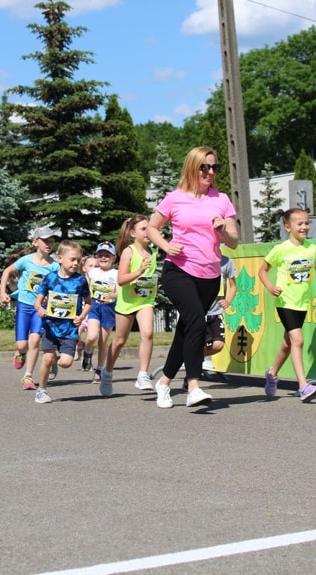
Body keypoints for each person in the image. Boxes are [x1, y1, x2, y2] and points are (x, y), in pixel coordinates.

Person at [146, 146, 239, 409]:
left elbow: (233, 242)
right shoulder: (174, 198)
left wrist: (223, 229)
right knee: (197, 322)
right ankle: (194, 386)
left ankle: (164, 382)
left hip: (210, 276)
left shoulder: (221, 200)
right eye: (205, 167)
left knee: (185, 330)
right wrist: (166, 247)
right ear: (192, 167)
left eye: (214, 167)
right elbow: (152, 228)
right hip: (179, 271)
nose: (210, 172)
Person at [258, 208, 316, 402]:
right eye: (299, 224)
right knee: (298, 339)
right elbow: (262, 271)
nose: (304, 227)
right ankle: (303, 385)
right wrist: (270, 287)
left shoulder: (312, 249)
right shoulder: (281, 249)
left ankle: (272, 373)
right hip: (285, 301)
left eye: (306, 223)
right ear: (287, 227)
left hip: (302, 303)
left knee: (287, 343)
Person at [101, 215, 159, 397]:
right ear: (133, 233)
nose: (148, 232)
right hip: (126, 302)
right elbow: (121, 279)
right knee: (119, 341)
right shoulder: (128, 251)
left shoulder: (153, 252)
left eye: (149, 228)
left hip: (145, 300)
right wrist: (140, 270)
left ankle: (143, 374)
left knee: (148, 333)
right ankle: (107, 373)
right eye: (144, 229)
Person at [32, 240, 93, 404]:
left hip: (69, 329)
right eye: (72, 259)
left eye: (78, 260)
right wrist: (40, 309)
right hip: (50, 327)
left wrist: (82, 317)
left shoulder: (80, 280)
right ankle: (42, 390)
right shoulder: (50, 278)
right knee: (46, 358)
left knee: (66, 362)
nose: (76, 263)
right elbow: (37, 301)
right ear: (60, 258)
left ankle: (55, 363)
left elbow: (88, 302)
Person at [0, 226, 59, 390]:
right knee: (21, 345)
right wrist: (2, 292)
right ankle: (20, 353)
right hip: (24, 305)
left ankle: (28, 377)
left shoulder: (54, 266)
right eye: (45, 240)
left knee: (34, 340)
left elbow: (59, 285)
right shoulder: (26, 261)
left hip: (41, 308)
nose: (49, 243)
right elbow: (6, 272)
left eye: (51, 241)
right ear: (35, 242)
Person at [186, 252, 238, 389]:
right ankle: (191, 373)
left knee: (218, 345)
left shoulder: (226, 261)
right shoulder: (197, 258)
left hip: (216, 312)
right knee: (198, 344)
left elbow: (233, 286)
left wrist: (228, 301)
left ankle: (191, 358)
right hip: (200, 312)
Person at [81, 242, 118, 383]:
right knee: (91, 337)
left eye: (107, 255)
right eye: (100, 255)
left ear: (113, 258)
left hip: (109, 309)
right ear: (96, 257)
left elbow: (119, 293)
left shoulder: (116, 274)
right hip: (95, 307)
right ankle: (88, 352)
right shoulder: (92, 273)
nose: (103, 258)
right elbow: (87, 289)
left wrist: (111, 296)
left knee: (103, 342)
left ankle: (99, 369)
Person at [75, 254, 98, 362]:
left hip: (94, 314)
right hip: (81, 313)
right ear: (84, 268)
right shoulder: (80, 281)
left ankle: (88, 355)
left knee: (91, 337)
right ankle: (79, 345)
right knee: (76, 335)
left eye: (96, 266)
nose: (94, 268)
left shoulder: (100, 281)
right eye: (91, 265)